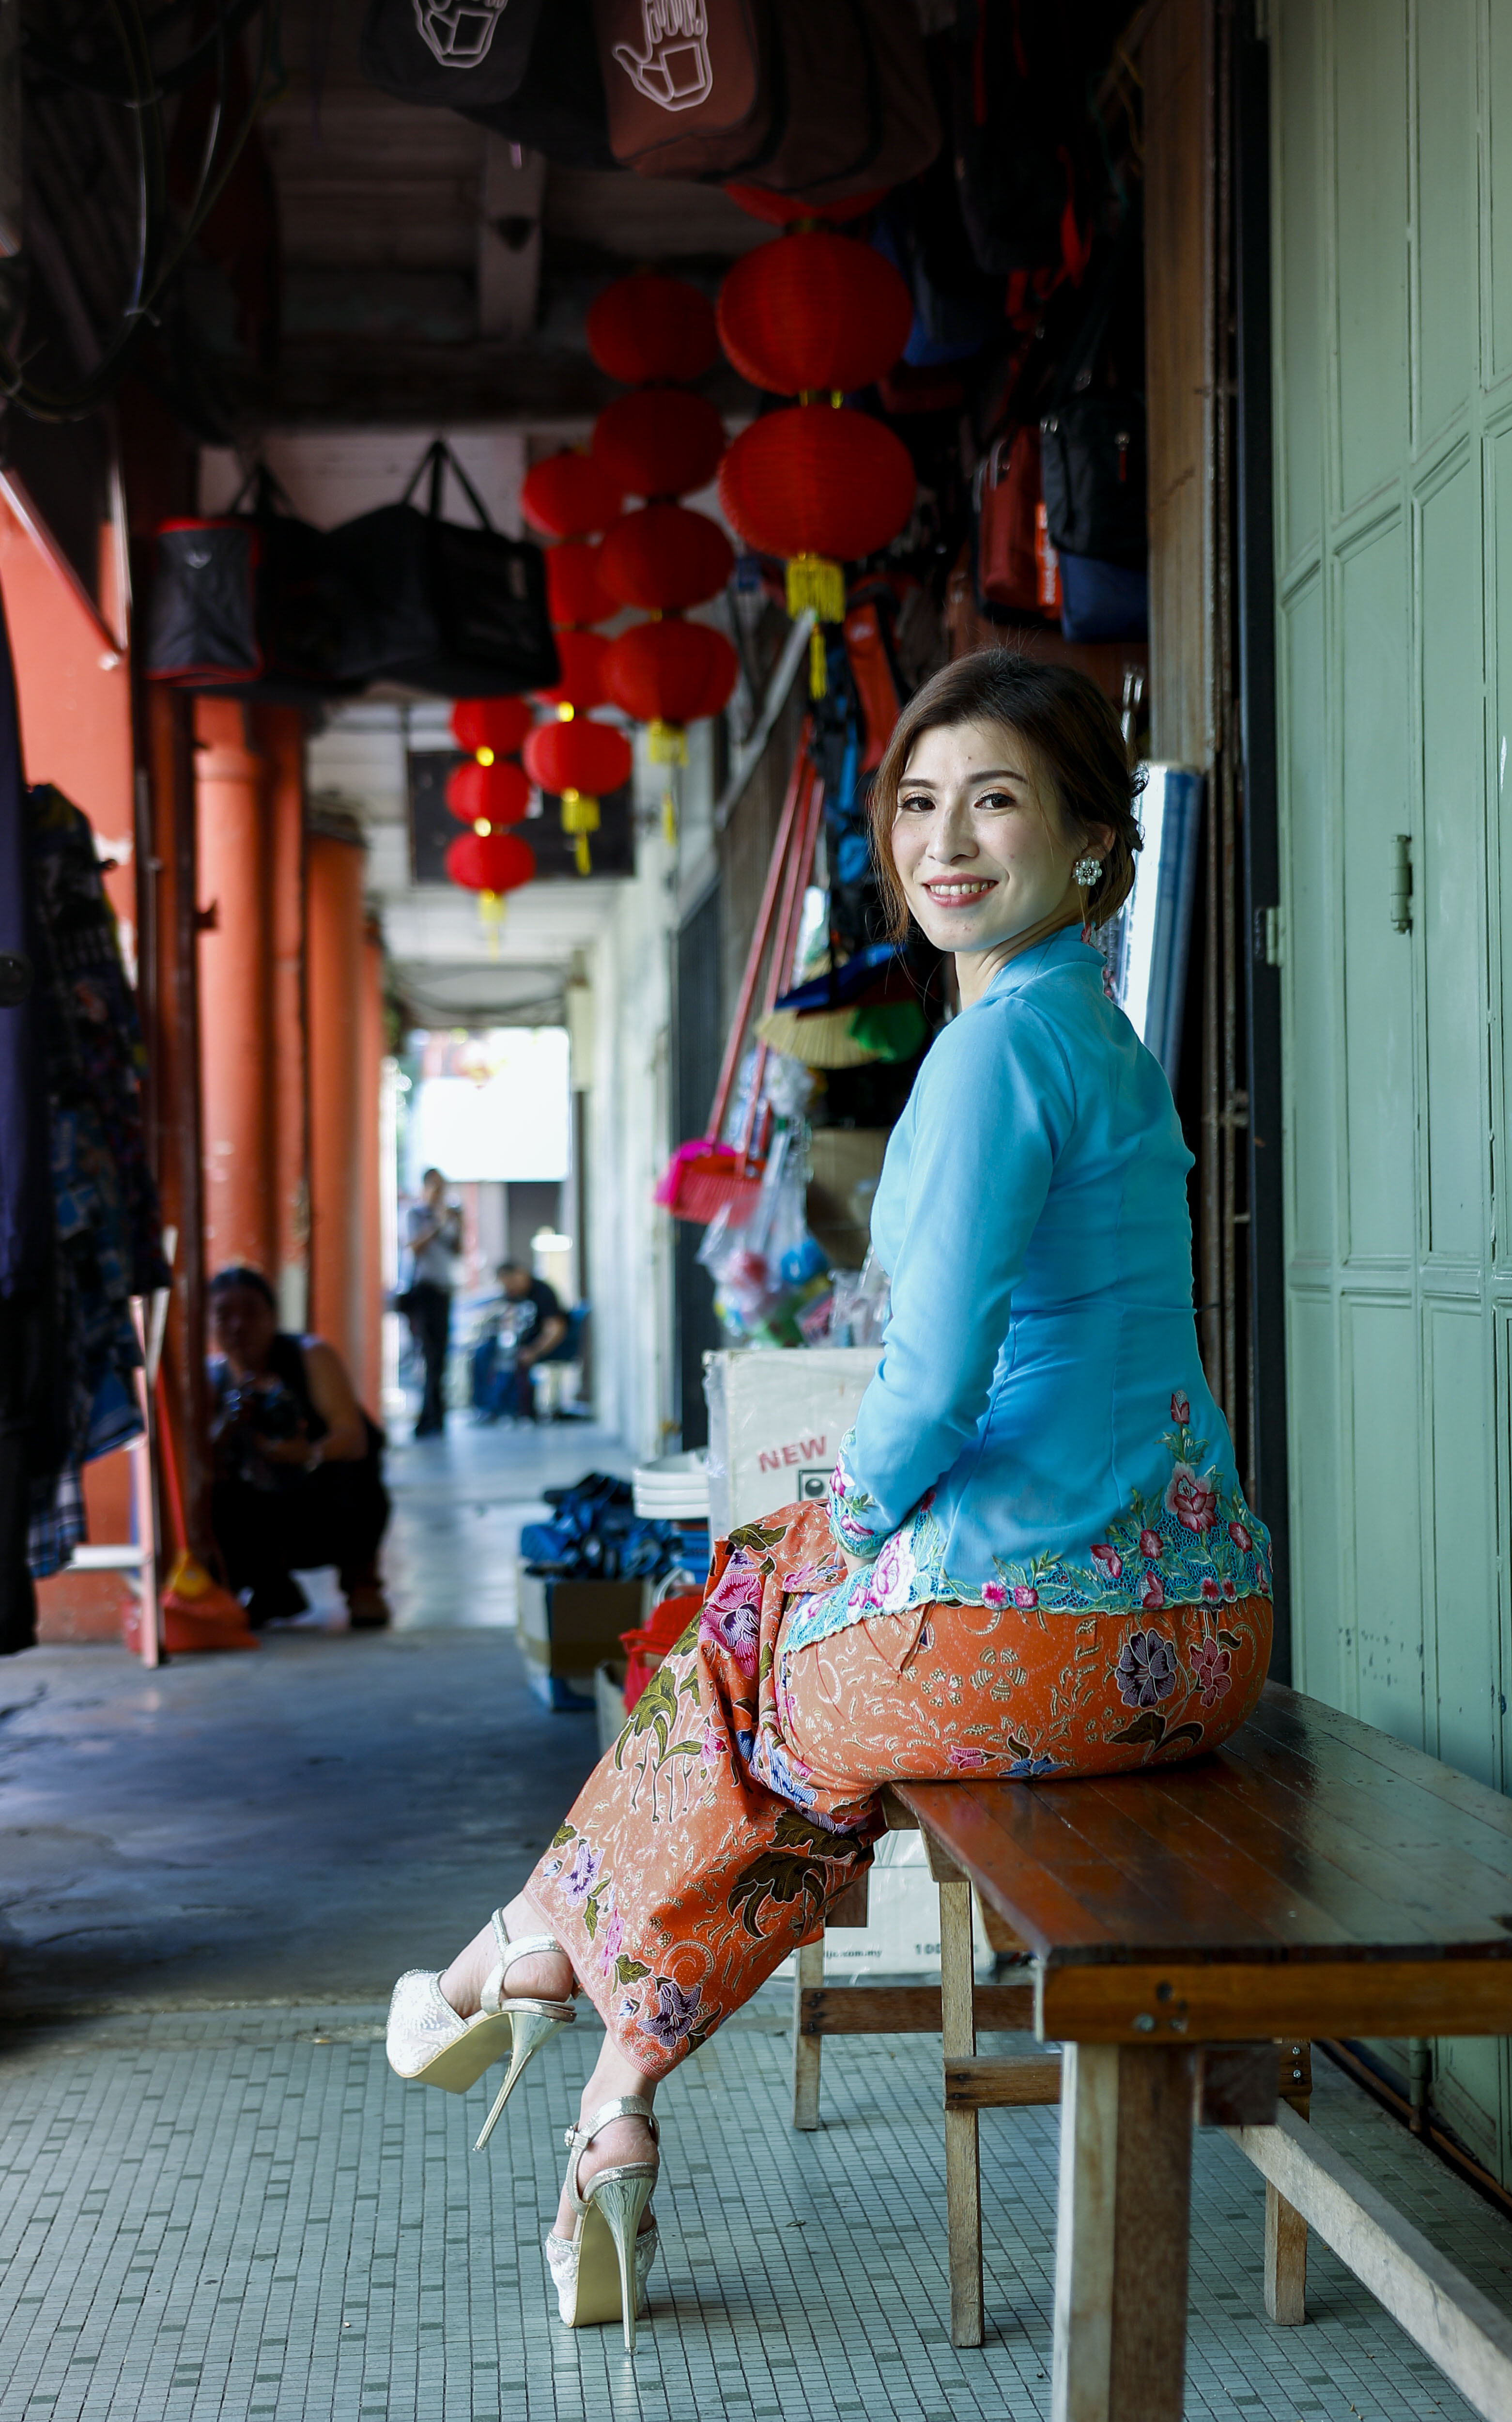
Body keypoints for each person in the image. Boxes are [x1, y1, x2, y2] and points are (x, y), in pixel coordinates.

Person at [386, 652, 1273, 2344]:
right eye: (917, 805)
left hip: (1037, 1649)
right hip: (1207, 1636)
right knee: (786, 1694)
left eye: (994, 801)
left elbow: (928, 1388)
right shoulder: (1104, 1038)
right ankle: (605, 2085)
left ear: (1092, 838)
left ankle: (539, 1957)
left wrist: (843, 1531)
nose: (944, 843)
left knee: (756, 1631)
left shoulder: (991, 1055)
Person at [208, 1266, 391, 1630]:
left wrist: (308, 1453)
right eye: (224, 1315)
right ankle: (267, 1588)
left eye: (251, 1312)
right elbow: (196, 1462)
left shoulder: (310, 1356)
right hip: (257, 1513)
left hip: (319, 1502)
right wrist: (228, 1427)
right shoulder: (211, 1378)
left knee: (353, 1468)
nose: (238, 1326)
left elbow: (353, 1438)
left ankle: (362, 1584)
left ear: (273, 1316)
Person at [402, 1167, 461, 1438]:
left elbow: (458, 1250)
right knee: (427, 1355)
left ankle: (437, 1416)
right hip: (424, 1290)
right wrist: (437, 1224)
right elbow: (414, 1248)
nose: (440, 1193)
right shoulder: (415, 1215)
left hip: (444, 1289)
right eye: (435, 1187)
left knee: (441, 1356)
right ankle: (426, 1417)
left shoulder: (450, 1215)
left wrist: (456, 1223)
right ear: (425, 1188)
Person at [470, 1259, 568, 1421]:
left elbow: (555, 1329)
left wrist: (535, 1351)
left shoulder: (542, 1292)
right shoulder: (513, 1296)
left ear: (520, 1274)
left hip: (535, 1344)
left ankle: (510, 1408)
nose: (510, 1289)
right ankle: (486, 1408)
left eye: (511, 1283)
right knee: (482, 1352)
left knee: (512, 1358)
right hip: (513, 1342)